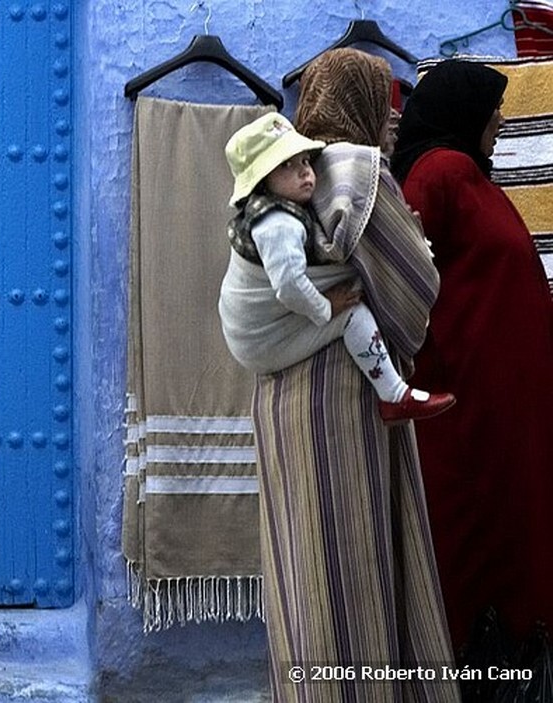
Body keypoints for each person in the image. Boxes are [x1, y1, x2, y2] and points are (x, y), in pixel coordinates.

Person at [219, 47, 461, 702]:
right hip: (345, 401)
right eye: (383, 105)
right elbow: (415, 299)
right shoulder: (362, 172)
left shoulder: (277, 179)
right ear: (361, 106)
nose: (391, 122)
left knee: (303, 573)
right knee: (352, 571)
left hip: (277, 401)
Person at [391, 60, 553, 657]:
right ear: (464, 112)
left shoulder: (466, 174)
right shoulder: (441, 174)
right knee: (485, 543)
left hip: (502, 407)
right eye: (493, 108)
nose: (503, 120)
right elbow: (403, 276)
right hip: (472, 411)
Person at [221, 111, 455, 424]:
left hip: (250, 332)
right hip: (262, 339)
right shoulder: (278, 224)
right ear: (262, 182)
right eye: (286, 166)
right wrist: (325, 307)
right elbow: (289, 284)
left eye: (304, 161)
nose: (304, 173)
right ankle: (395, 395)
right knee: (352, 314)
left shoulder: (282, 210)